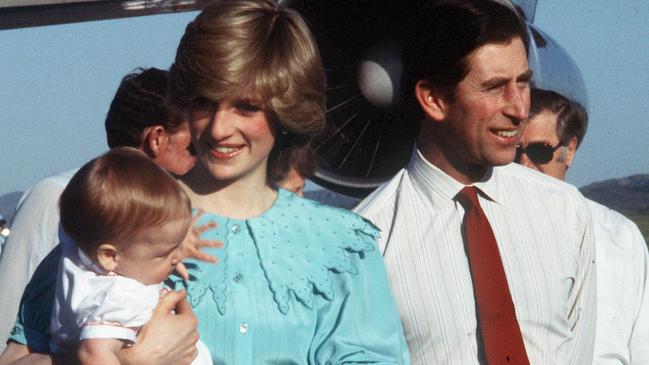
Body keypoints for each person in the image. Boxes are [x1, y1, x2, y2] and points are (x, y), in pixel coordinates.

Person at [3, 0, 410, 364]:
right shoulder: (121, 219)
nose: (219, 129)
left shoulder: (340, 245)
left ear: (286, 110)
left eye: (246, 107)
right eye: (204, 103)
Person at [355, 0, 596, 364]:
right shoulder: (367, 244)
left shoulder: (566, 213)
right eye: (495, 87)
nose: (518, 109)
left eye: (523, 83)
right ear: (434, 99)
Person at [0, 67, 199, 360]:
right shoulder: (59, 201)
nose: (203, 158)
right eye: (193, 146)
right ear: (157, 138)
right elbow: (13, 351)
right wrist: (129, 359)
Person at [516, 88, 649, 364]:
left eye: (539, 151)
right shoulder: (482, 226)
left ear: (570, 150)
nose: (524, 165)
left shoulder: (620, 237)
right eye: (514, 152)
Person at [50, 147, 212, 365]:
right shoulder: (121, 297)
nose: (176, 259)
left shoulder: (78, 246)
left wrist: (165, 248)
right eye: (164, 254)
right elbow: (92, 354)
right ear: (109, 256)